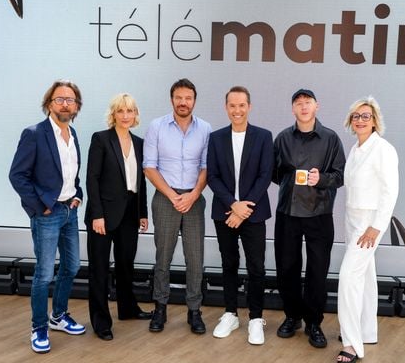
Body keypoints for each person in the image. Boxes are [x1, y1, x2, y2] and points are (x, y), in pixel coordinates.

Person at [9, 80, 86, 354]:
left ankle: (59, 316)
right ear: (49, 103)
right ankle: (39, 327)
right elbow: (17, 175)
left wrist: (78, 194)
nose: (65, 104)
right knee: (43, 275)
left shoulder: (73, 133)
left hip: (70, 211)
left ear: (77, 106)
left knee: (72, 267)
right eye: (59, 99)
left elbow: (72, 174)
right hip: (48, 214)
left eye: (70, 100)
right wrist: (39, 206)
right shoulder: (34, 134)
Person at [273, 89, 346, 348]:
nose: (303, 107)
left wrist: (321, 179)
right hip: (288, 213)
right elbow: (274, 173)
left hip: (320, 213)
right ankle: (292, 316)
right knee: (286, 267)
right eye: (298, 103)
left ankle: (313, 322)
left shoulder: (331, 139)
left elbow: (340, 175)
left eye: (308, 103)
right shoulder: (282, 138)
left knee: (317, 269)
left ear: (317, 107)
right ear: (293, 109)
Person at [143, 78, 212, 334]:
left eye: (188, 98)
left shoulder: (205, 128)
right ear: (172, 99)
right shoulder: (157, 127)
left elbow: (206, 167)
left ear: (194, 100)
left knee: (195, 259)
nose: (183, 102)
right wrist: (173, 195)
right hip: (165, 198)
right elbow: (149, 166)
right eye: (179, 98)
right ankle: (159, 309)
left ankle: (194, 311)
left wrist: (193, 194)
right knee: (163, 257)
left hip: (194, 200)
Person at [207, 86, 273, 345]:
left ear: (249, 106)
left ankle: (256, 318)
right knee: (229, 264)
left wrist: (243, 209)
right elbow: (212, 176)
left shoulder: (263, 136)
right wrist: (233, 205)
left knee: (256, 266)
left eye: (241, 105)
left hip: (253, 213)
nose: (237, 110)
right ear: (226, 108)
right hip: (224, 211)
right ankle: (231, 313)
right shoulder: (216, 138)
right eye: (232, 105)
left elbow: (265, 175)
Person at [336, 96, 399, 363]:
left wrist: (376, 227)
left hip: (369, 223)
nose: (361, 120)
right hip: (352, 218)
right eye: (356, 116)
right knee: (366, 277)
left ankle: (351, 343)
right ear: (351, 121)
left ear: (375, 121)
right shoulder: (355, 149)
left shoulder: (383, 149)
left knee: (348, 277)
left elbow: (390, 191)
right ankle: (366, 331)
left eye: (366, 116)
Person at [85, 93, 152, 341]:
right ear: (113, 114)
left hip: (129, 214)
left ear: (135, 115)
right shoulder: (101, 139)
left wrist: (142, 212)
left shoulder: (140, 143)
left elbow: (141, 181)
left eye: (130, 111)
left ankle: (128, 309)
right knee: (99, 269)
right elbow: (91, 178)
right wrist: (97, 215)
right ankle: (101, 322)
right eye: (121, 111)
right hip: (103, 216)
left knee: (126, 265)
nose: (126, 115)